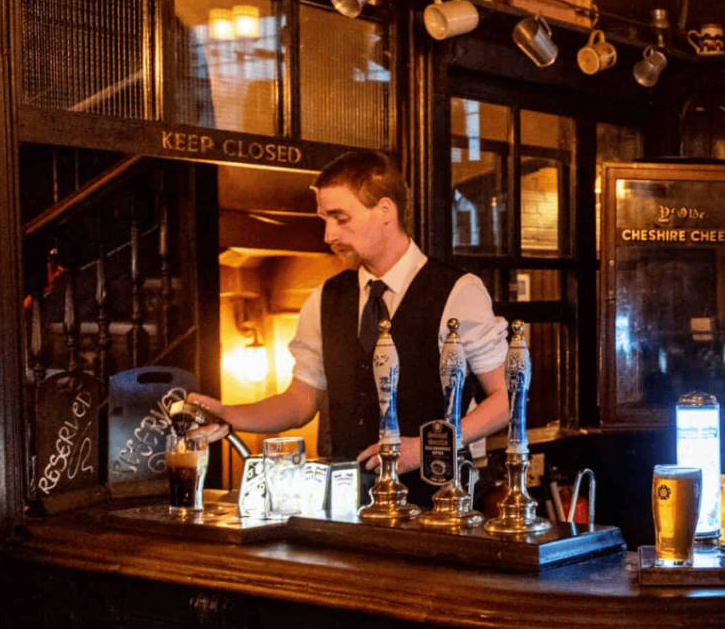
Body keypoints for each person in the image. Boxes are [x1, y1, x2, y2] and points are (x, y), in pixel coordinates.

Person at [187, 149, 509, 507]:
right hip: (347, 508)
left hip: (436, 507)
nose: (328, 235)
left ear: (385, 211)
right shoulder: (324, 299)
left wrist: (430, 446)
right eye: (325, 219)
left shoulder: (457, 292)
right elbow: (299, 402)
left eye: (340, 218)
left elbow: (508, 398)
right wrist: (231, 414)